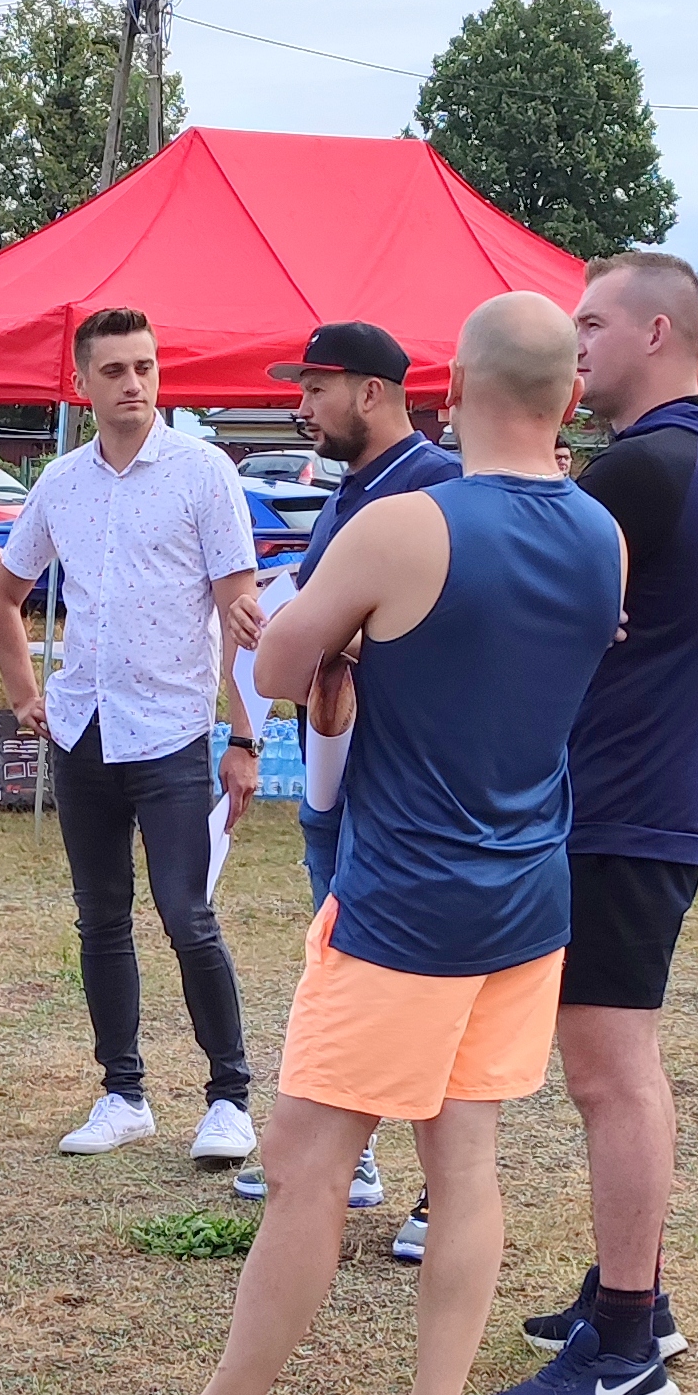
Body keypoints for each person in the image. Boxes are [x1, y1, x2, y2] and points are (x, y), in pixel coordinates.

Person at [59, 292, 623, 1395]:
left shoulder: (407, 524)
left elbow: (272, 663)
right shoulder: (599, 533)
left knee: (307, 1162)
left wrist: (336, 634)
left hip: (406, 904)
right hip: (528, 897)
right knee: (463, 1164)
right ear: (570, 396)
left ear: (451, 389)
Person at [480, 251, 698, 1395]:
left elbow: (507, 590)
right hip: (641, 803)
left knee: (609, 1073)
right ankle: (630, 1291)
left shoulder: (647, 468)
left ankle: (627, 1342)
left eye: (592, 323)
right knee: (613, 1067)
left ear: (657, 333)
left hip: (622, 809)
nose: (574, 344)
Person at [0, 307, 265, 1164]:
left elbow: (242, 614)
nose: (134, 383)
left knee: (187, 914)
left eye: (144, 366)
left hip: (173, 730)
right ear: (82, 385)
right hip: (83, 730)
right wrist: (25, 695)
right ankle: (123, 1092)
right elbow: (1, 596)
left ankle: (230, 1097)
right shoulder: (61, 481)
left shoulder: (203, 472)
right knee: (100, 918)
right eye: (114, 370)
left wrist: (243, 736)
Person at [230, 322, 460, 1247]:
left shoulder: (437, 488)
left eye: (315, 388)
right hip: (337, 766)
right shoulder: (350, 494)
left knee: (421, 985)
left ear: (372, 392)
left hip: (405, 781)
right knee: (343, 967)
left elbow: (443, 630)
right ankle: (349, 1151)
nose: (301, 406)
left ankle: (444, 1190)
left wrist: (326, 633)